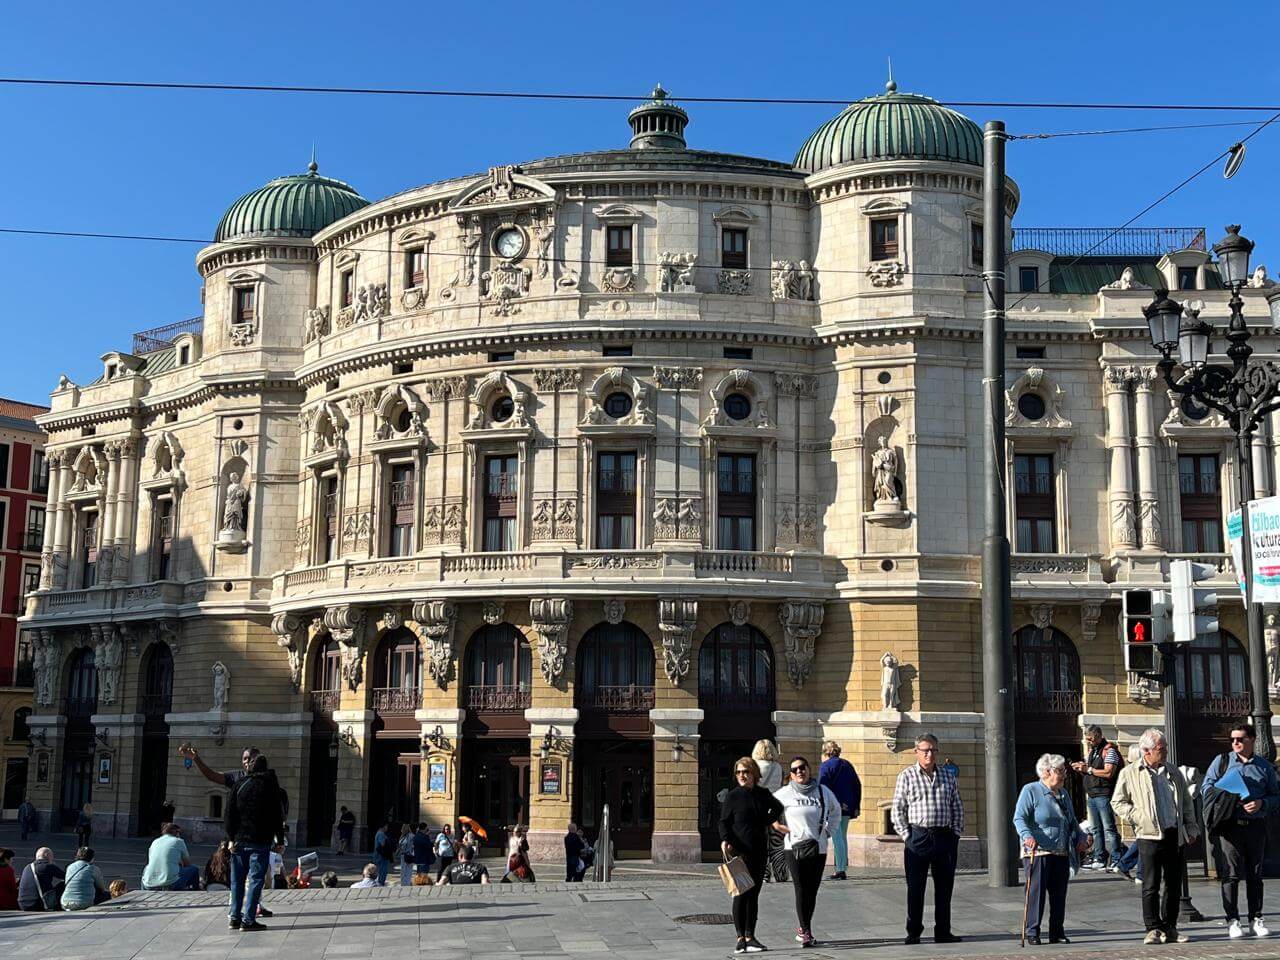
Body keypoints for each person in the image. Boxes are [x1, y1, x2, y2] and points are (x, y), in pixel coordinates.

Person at [1110, 728, 1199, 945]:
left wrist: (1191, 828)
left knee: (1173, 884)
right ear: (1146, 751)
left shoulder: (1173, 772)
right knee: (1150, 884)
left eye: (1165, 747)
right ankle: (1152, 928)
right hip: (1148, 835)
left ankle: (1170, 927)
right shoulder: (1130, 773)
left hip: (1173, 834)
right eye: (1161, 748)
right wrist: (1138, 817)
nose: (1166, 751)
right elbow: (1117, 802)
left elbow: (1186, 803)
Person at [1202, 721, 1280, 939]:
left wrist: (1261, 804)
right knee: (1232, 874)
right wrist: (1227, 791)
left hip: (1256, 826)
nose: (1235, 743)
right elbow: (1206, 787)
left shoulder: (1264, 766)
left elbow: (1276, 796)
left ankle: (1256, 918)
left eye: (1240, 739)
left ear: (1252, 740)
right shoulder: (1222, 761)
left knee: (1255, 875)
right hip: (1230, 825)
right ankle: (1232, 920)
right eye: (1233, 739)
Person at [891, 733, 964, 946]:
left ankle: (943, 931)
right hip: (918, 837)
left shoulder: (948, 776)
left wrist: (956, 834)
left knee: (944, 887)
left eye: (933, 750)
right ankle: (913, 932)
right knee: (915, 888)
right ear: (917, 752)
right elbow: (897, 810)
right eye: (925, 750)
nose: (929, 754)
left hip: (943, 837)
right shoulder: (906, 776)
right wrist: (907, 836)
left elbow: (957, 806)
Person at [1013, 754, 1090, 944]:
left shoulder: (1063, 794)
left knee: (1059, 894)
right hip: (1038, 851)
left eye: (1064, 771)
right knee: (1036, 893)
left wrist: (1081, 837)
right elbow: (1019, 818)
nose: (1064, 775)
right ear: (1047, 772)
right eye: (1060, 771)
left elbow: (1072, 821)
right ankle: (1032, 932)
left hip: (1061, 850)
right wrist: (1027, 836)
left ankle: (1057, 931)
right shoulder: (1031, 790)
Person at [720, 756, 786, 954]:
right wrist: (725, 840)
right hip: (739, 853)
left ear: (754, 774)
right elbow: (723, 821)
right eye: (738, 772)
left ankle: (751, 936)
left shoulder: (763, 794)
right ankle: (740, 938)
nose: (742, 775)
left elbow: (778, 807)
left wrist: (767, 821)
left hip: (758, 851)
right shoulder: (733, 796)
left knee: (754, 895)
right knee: (740, 894)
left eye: (745, 772)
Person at [774, 755, 840, 948]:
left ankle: (805, 928)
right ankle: (805, 931)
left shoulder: (822, 791)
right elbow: (767, 810)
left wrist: (828, 831)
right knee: (801, 889)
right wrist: (777, 825)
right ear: (791, 775)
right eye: (794, 770)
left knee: (812, 891)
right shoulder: (784, 793)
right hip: (793, 848)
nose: (799, 772)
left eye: (802, 768)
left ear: (809, 769)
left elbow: (835, 811)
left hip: (817, 848)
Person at [225, 754, 285, 931]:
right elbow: (277, 816)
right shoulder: (271, 787)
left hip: (238, 840)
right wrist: (279, 840)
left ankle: (234, 917)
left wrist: (230, 838)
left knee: (237, 881)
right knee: (255, 880)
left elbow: (229, 814)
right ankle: (249, 920)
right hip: (260, 841)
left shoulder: (239, 785)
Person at [1071, 725, 1124, 871]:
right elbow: (1091, 771)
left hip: (1104, 794)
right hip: (1092, 794)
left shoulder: (1109, 751)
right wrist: (1082, 768)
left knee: (1109, 828)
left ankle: (1116, 859)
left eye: (1091, 739)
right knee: (1095, 829)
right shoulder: (1092, 751)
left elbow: (1108, 773)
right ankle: (1099, 857)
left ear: (1099, 736)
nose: (1089, 741)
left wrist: (1088, 769)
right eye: (1087, 739)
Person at [818, 740, 861, 881]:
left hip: (834, 807)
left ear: (825, 752)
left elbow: (823, 788)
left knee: (837, 838)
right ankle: (841, 867)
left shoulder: (825, 766)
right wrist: (855, 806)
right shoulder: (847, 764)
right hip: (848, 806)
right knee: (842, 836)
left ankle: (840, 870)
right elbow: (857, 785)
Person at [141, 823, 200, 891]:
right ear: (177, 833)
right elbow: (187, 864)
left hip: (148, 884)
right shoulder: (178, 841)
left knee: (146, 869)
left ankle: (143, 892)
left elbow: (153, 861)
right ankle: (195, 891)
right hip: (169, 884)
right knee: (194, 870)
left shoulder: (155, 841)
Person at [373, 818, 395, 886]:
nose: (387, 827)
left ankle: (380, 882)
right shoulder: (381, 834)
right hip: (382, 856)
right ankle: (380, 883)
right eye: (386, 826)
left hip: (380, 855)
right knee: (382, 871)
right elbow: (383, 844)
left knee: (381, 870)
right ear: (384, 826)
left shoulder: (379, 833)